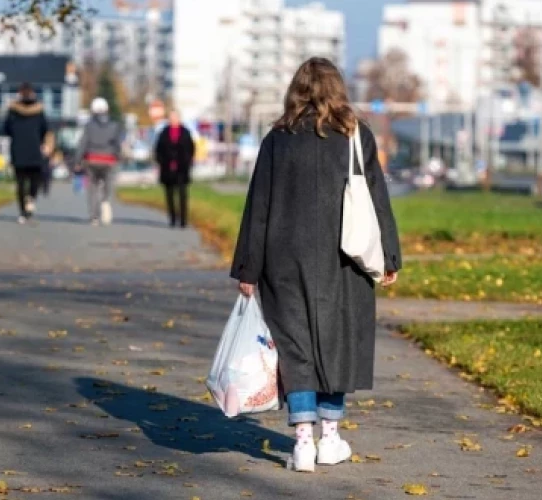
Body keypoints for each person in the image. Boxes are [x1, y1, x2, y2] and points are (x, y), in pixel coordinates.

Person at [230, 57, 402, 473]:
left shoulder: (278, 138)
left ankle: (302, 442)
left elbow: (259, 206)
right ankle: (331, 438)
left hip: (284, 257)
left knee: (296, 347)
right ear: (337, 89)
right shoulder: (356, 136)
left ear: (297, 90)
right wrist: (390, 257)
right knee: (337, 344)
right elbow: (376, 198)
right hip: (344, 259)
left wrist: (248, 269)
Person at [4, 82, 49, 224]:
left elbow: (6, 129)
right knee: (35, 179)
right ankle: (31, 198)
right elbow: (44, 129)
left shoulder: (13, 110)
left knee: (20, 182)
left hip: (18, 150)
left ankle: (22, 212)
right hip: (34, 150)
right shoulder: (39, 110)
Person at [75, 97, 124, 226]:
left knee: (92, 188)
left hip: (92, 159)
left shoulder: (89, 126)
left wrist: (77, 160)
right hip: (109, 159)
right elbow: (117, 144)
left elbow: (83, 143)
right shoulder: (114, 125)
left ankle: (94, 216)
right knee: (108, 184)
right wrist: (118, 155)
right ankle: (106, 201)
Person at [154, 110, 196, 228]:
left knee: (182, 194)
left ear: (179, 118)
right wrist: (161, 161)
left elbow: (191, 149)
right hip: (167, 168)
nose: (173, 120)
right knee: (169, 195)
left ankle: (183, 220)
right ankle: (172, 219)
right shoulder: (164, 133)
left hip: (182, 169)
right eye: (171, 117)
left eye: (175, 117)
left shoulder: (185, 133)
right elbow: (158, 149)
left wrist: (187, 161)